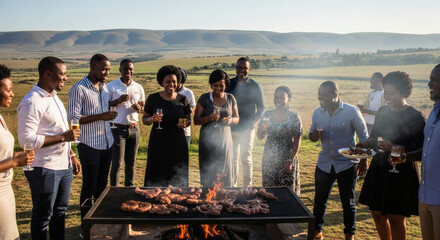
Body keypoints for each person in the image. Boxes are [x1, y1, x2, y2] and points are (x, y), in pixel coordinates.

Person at [17, 57, 81, 239]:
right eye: (62, 74)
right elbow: (25, 140)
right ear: (47, 74)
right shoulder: (32, 102)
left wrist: (71, 154)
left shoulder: (54, 97)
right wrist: (63, 137)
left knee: (60, 213)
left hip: (63, 165)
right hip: (44, 167)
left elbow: (58, 129)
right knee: (43, 217)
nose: (65, 78)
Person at [358, 71, 425, 240]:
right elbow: (377, 137)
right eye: (385, 93)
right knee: (377, 213)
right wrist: (365, 144)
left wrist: (397, 147)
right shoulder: (382, 112)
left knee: (396, 218)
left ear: (404, 92)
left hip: (401, 170)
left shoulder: (416, 117)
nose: (387, 97)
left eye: (391, 93)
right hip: (379, 166)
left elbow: (422, 149)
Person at [309, 81, 368, 240]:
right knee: (319, 201)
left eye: (324, 95)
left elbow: (363, 137)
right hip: (324, 163)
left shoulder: (352, 111)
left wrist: (363, 160)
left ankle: (350, 235)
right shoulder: (317, 112)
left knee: (348, 202)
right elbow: (311, 134)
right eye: (319, 94)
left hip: (347, 164)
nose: (320, 97)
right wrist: (313, 136)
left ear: (335, 94)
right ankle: (317, 232)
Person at [67, 53, 116, 220]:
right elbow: (73, 118)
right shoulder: (79, 88)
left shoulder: (105, 88)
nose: (106, 73)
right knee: (89, 187)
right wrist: (101, 116)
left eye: (108, 70)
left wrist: (107, 115)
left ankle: (99, 220)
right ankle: (86, 224)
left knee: (102, 187)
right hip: (89, 145)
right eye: (103, 69)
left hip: (107, 144)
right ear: (92, 66)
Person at [0, 64, 34, 240]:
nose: (12, 94)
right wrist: (15, 162)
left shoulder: (0, 117)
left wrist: (15, 156)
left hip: (6, 189)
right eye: (8, 90)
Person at [142, 65, 191, 187]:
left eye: (174, 82)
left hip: (178, 141)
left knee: (178, 172)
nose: (171, 84)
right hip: (159, 141)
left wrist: (184, 123)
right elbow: (144, 120)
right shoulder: (153, 98)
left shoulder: (183, 99)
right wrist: (151, 119)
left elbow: (189, 120)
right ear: (162, 82)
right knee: (158, 171)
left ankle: (178, 197)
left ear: (178, 82)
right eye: (168, 81)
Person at [194, 69, 239, 187]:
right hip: (207, 140)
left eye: (221, 85)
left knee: (225, 168)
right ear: (211, 85)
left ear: (226, 85)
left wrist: (231, 120)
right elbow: (196, 120)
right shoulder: (204, 98)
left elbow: (237, 118)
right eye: (215, 85)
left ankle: (226, 195)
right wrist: (208, 118)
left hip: (225, 138)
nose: (218, 88)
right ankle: (209, 194)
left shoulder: (230, 98)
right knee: (209, 169)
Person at [226, 57, 265, 187]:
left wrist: (254, 124)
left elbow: (261, 107)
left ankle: (247, 188)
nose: (242, 70)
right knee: (233, 159)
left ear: (249, 69)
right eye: (239, 67)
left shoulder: (255, 86)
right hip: (231, 128)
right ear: (236, 68)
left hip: (247, 128)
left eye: (245, 68)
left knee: (246, 158)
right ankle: (233, 187)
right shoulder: (229, 84)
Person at [257, 86, 302, 196]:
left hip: (286, 158)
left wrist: (290, 161)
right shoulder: (267, 115)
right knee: (269, 189)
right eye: (276, 97)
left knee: (286, 191)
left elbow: (297, 142)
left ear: (289, 99)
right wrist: (262, 129)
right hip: (269, 158)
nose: (278, 101)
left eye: (282, 98)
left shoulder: (294, 116)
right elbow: (259, 136)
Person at [108, 59, 145, 186]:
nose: (128, 72)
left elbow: (143, 108)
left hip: (134, 128)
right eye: (125, 69)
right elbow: (104, 106)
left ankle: (129, 190)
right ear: (120, 70)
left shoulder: (138, 87)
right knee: (117, 163)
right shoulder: (111, 86)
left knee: (131, 163)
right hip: (118, 129)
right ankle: (114, 191)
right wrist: (118, 100)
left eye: (130, 69)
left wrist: (139, 108)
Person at [419, 64, 440, 240]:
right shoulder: (434, 112)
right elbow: (428, 150)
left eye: (434, 80)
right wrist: (404, 155)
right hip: (425, 196)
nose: (429, 84)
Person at [177, 67, 196, 148]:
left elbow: (192, 110)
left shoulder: (188, 93)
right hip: (169, 131)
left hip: (184, 131)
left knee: (183, 157)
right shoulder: (167, 91)